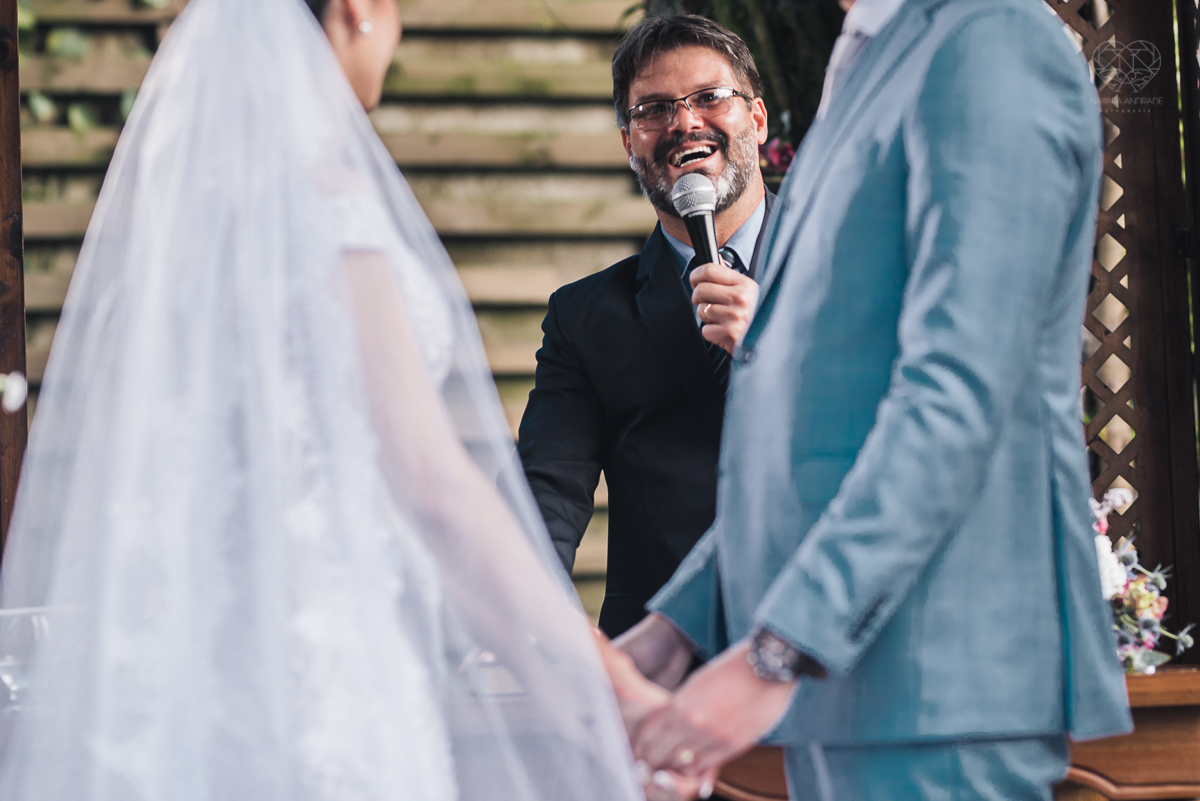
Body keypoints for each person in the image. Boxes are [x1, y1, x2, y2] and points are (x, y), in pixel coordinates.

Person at [0, 0, 649, 799]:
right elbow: (430, 486)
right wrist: (600, 680)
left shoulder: (191, 229)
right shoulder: (329, 208)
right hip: (320, 661)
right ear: (355, 10)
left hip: (195, 654)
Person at [618, 0, 1133, 797]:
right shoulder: (872, 55)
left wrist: (778, 648)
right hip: (851, 695)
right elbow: (828, 421)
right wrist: (681, 621)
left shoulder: (991, 41)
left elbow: (958, 394)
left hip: (937, 691)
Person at [518, 15, 772, 637]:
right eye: (654, 109)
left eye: (710, 97)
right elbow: (547, 492)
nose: (685, 123)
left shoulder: (851, 265)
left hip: (834, 647)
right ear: (629, 143)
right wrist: (533, 629)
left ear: (758, 119)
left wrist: (774, 348)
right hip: (662, 656)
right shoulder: (585, 316)